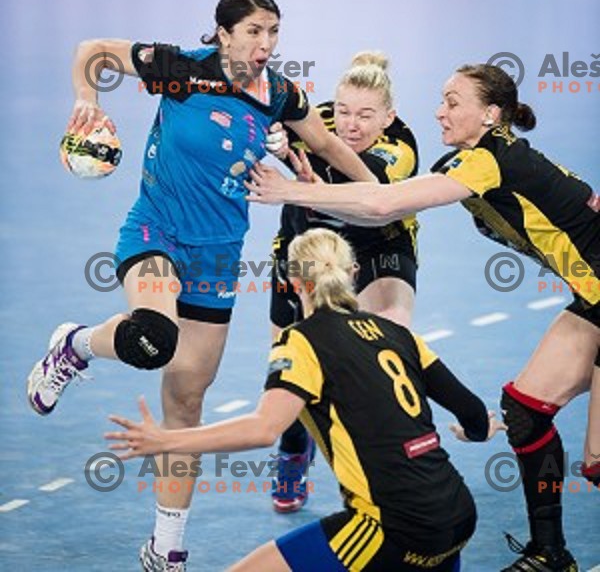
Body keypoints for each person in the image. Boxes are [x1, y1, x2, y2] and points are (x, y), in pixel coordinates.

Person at [26, 0, 376, 572]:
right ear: (222, 33)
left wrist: (382, 196)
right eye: (254, 32)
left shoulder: (280, 96)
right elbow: (93, 50)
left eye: (273, 33)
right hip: (156, 231)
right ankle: (76, 345)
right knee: (152, 338)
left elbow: (327, 144)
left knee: (186, 404)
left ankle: (166, 547)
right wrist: (87, 101)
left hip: (218, 256)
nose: (264, 45)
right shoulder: (180, 67)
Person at [246, 63, 600, 571]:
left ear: (491, 114)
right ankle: (551, 554)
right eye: (442, 99)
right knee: (525, 411)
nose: (440, 110)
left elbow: (383, 202)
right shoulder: (472, 161)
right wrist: (308, 186)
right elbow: (374, 205)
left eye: (454, 102)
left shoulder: (489, 161)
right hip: (593, 298)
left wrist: (290, 191)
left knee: (596, 459)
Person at [106, 227, 506, 572]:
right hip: (457, 514)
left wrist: (166, 441)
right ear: (353, 274)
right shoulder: (399, 334)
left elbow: (265, 429)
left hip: (391, 527)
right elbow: (473, 414)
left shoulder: (301, 341)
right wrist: (476, 430)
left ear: (295, 283)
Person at [268, 52, 419, 513]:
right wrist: (273, 138)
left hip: (378, 246)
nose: (350, 125)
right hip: (307, 243)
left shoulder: (401, 147)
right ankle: (295, 448)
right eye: (344, 111)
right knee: (290, 367)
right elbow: (260, 123)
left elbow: (370, 195)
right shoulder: (318, 119)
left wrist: (300, 178)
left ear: (388, 116)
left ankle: (383, 466)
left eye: (366, 115)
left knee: (380, 350)